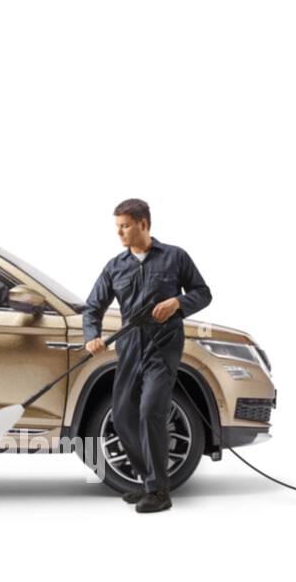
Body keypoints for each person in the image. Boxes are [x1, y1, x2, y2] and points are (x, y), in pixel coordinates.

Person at [81, 199, 212, 513]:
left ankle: (158, 491)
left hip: (163, 347)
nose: (120, 233)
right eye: (117, 227)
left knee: (151, 410)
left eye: (125, 226)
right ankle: (149, 481)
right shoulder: (116, 266)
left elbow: (203, 293)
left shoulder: (174, 257)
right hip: (129, 349)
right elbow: (92, 308)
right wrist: (93, 338)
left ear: (143, 223)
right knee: (124, 416)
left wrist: (178, 303)